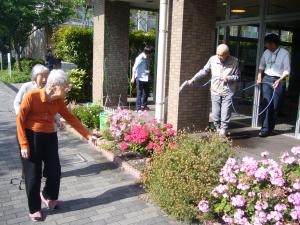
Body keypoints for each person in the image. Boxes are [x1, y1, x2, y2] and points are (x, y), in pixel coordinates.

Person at [17, 69, 94, 221]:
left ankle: (49, 196)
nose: (67, 89)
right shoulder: (32, 96)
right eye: (65, 86)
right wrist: (23, 144)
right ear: (53, 86)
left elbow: (71, 118)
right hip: (30, 137)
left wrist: (88, 135)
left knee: (55, 170)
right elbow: (20, 120)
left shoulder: (58, 102)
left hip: (49, 137)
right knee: (33, 175)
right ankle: (35, 208)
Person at [187, 44, 240, 138]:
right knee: (215, 112)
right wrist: (193, 79)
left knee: (226, 111)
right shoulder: (213, 59)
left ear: (227, 54)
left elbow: (237, 77)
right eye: (217, 54)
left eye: (221, 55)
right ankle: (217, 128)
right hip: (215, 90)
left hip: (228, 91)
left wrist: (228, 78)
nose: (219, 57)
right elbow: (204, 71)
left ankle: (223, 130)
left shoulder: (234, 61)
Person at [256, 33, 291, 137]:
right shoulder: (266, 52)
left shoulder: (284, 53)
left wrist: (279, 80)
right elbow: (261, 66)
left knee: (275, 106)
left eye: (267, 44)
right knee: (266, 104)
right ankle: (264, 129)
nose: (266, 46)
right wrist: (259, 77)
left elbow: (287, 70)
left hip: (279, 80)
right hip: (267, 78)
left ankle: (270, 128)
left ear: (273, 44)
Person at [131, 46, 152, 112]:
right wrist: (132, 78)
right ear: (147, 52)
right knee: (139, 93)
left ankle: (144, 106)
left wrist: (148, 74)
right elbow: (134, 68)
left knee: (146, 93)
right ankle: (138, 108)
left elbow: (146, 67)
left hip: (146, 77)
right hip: (140, 78)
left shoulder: (147, 57)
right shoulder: (140, 58)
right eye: (150, 53)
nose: (150, 55)